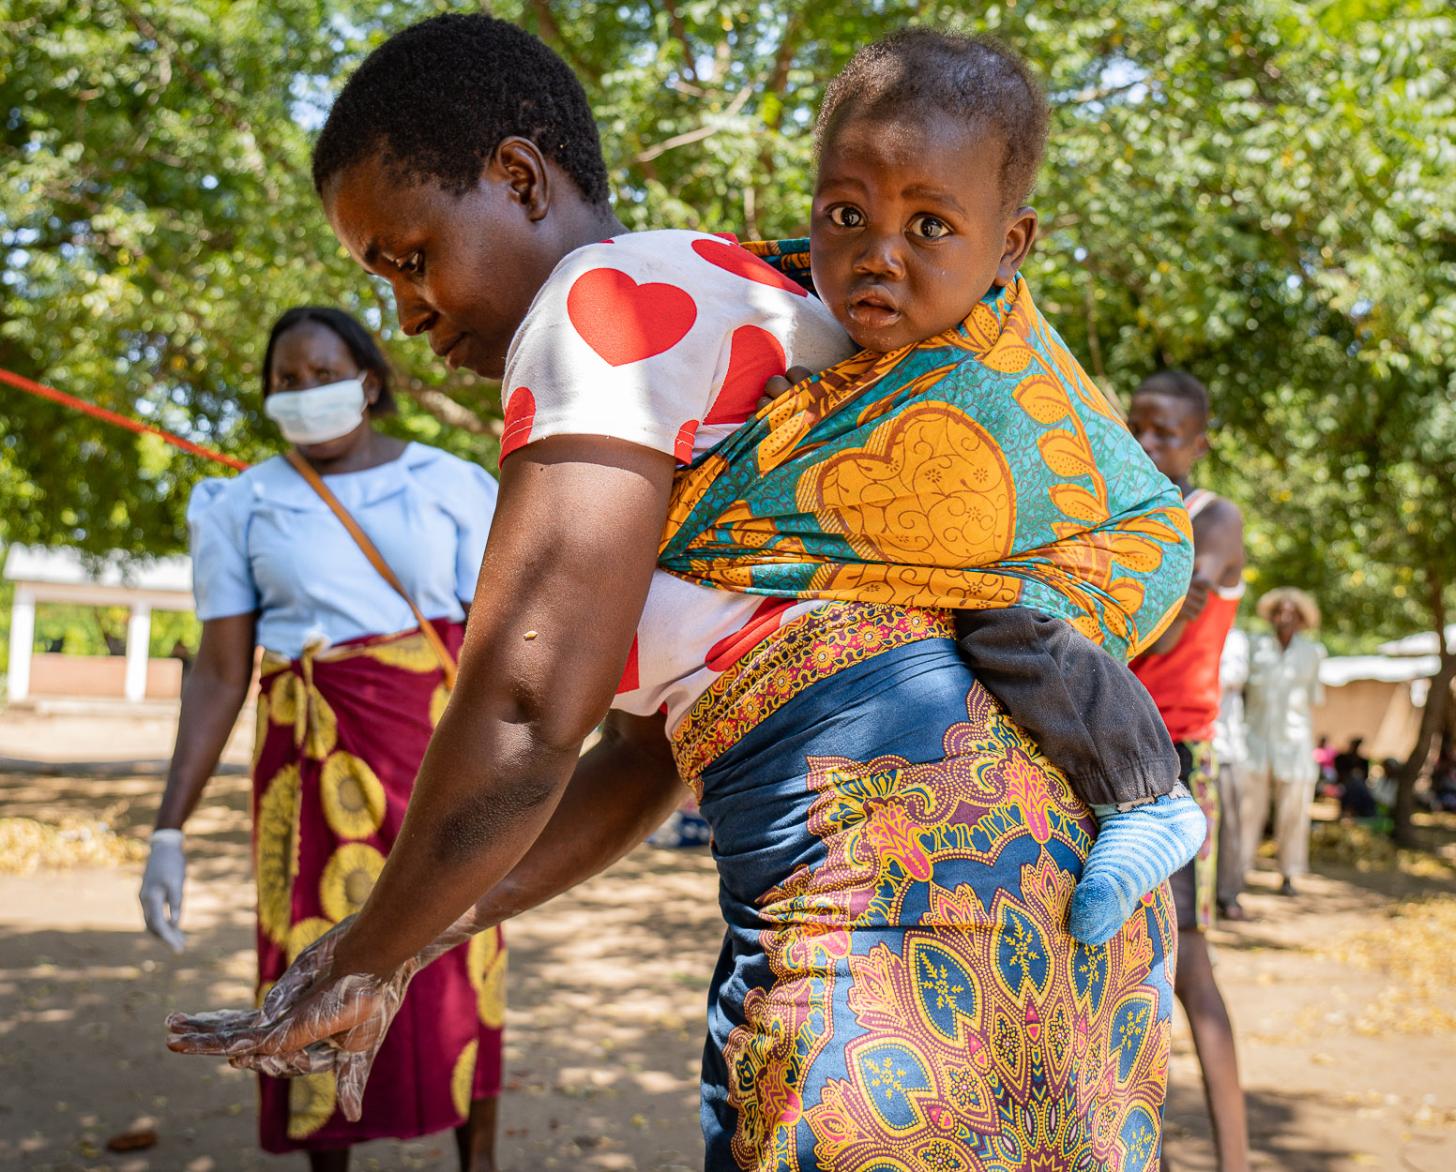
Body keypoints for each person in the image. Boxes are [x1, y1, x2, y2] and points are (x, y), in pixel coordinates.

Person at [167, 21, 1179, 1170]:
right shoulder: (738, 300)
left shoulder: (603, 305)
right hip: (1022, 859)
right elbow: (647, 755)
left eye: (408, 255)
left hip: (892, 858)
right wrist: (406, 936)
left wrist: (354, 954)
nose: (404, 310)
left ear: (517, 176)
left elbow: (523, 705)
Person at [139, 307, 505, 1169]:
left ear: (370, 384)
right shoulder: (242, 502)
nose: (302, 393)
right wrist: (167, 828)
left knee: (450, 946)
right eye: (285, 381)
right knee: (311, 960)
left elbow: (492, 649)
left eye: (321, 375)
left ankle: (476, 1157)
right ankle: (326, 1155)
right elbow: (223, 674)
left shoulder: (449, 485)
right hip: (302, 776)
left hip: (432, 756)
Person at [1127, 371, 1251, 1172]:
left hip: (1174, 760)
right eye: (1137, 426)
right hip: (1111, 755)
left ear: (1200, 444)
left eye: (1167, 434)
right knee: (1130, 968)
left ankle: (1233, 1159)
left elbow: (1168, 635)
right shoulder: (1129, 520)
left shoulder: (1213, 518)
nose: (1147, 445)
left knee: (1189, 971)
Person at [1243, 587, 1326, 895]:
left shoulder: (1312, 654)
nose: (1285, 617)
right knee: (1249, 811)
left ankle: (1289, 873)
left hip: (1295, 745)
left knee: (1294, 811)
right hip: (1255, 741)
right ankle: (1239, 870)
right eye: (1280, 611)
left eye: (1292, 612)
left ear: (1303, 619)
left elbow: (1313, 701)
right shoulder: (1256, 648)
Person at [1214, 627, 1251, 919]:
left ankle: (1227, 895)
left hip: (1224, 748)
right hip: (1185, 744)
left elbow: (1229, 680)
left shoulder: (1235, 639)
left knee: (1229, 826)